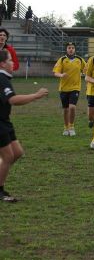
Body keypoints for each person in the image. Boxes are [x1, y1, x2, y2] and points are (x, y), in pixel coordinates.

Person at [0, 50, 48, 202]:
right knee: (8, 156)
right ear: (2, 63)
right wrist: (36, 95)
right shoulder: (1, 78)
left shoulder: (5, 78)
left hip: (5, 121)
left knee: (17, 153)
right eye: (10, 60)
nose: (12, 62)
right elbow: (13, 100)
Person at [52, 42, 86, 136]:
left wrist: (86, 74)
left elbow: (86, 70)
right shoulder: (62, 60)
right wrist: (61, 75)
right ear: (66, 49)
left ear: (75, 49)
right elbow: (55, 72)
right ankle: (66, 127)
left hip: (75, 88)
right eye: (69, 48)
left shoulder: (79, 60)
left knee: (72, 107)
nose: (71, 49)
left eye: (72, 48)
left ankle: (71, 126)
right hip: (63, 89)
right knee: (66, 109)